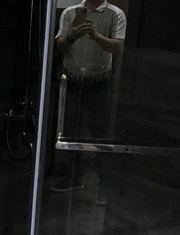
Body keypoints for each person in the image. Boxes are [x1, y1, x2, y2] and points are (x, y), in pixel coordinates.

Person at [51, 0, 126, 194]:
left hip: (99, 82)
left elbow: (118, 47)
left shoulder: (116, 14)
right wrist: (72, 36)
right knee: (69, 131)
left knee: (100, 133)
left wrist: (95, 36)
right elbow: (59, 46)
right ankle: (73, 177)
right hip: (72, 80)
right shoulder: (70, 12)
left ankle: (104, 186)